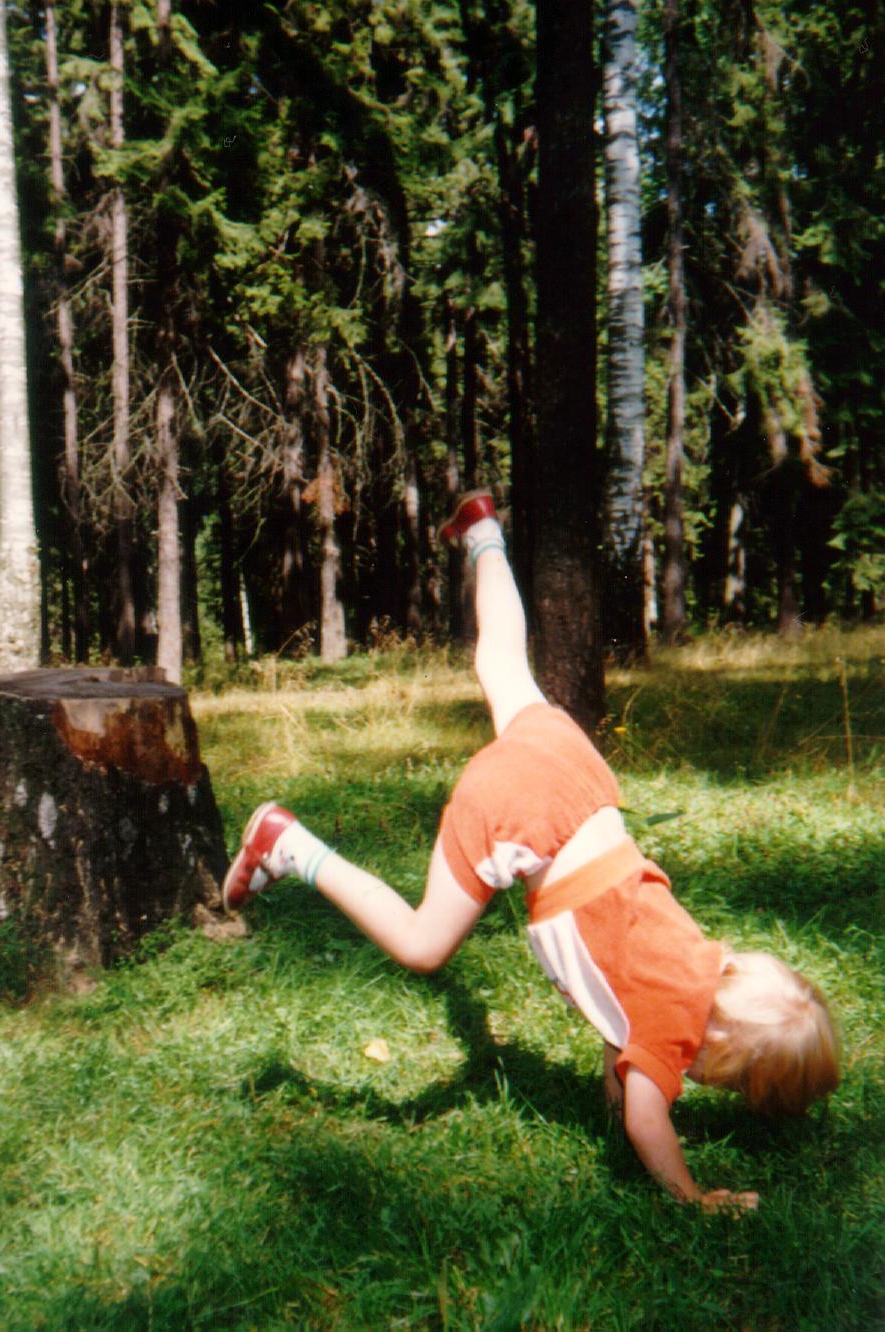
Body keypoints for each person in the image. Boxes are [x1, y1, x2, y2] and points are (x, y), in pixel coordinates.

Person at [222, 491, 840, 1211]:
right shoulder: (675, 1028)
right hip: (522, 809)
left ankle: (483, 535)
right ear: (727, 1051)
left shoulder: (699, 959)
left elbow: (622, 1019)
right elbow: (647, 1118)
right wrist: (694, 1197)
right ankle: (290, 846)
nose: (714, 1084)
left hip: (572, 771)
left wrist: (617, 1088)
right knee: (423, 944)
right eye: (733, 1084)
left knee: (503, 665)